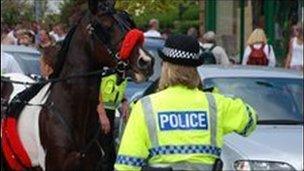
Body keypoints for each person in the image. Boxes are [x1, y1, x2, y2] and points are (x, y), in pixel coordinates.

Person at [115, 35, 258, 171]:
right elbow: (250, 121)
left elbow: (126, 165)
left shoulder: (145, 107)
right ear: (195, 69)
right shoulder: (215, 104)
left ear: (165, 67)